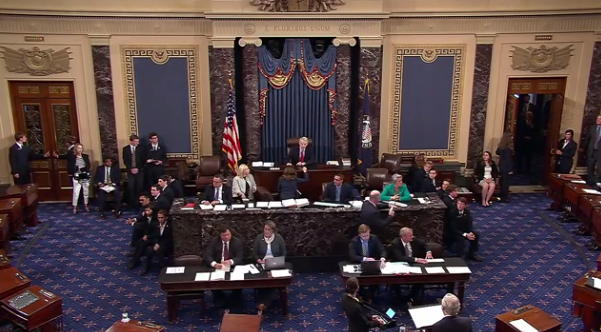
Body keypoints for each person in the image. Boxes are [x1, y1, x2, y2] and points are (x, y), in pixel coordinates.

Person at [390, 227, 432, 304]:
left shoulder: (414, 240)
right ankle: (398, 298)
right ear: (404, 237)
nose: (412, 237)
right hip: (399, 265)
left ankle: (413, 296)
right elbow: (401, 257)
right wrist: (416, 259)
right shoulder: (395, 243)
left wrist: (428, 252)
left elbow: (424, 244)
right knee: (394, 280)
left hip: (414, 265)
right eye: (410, 235)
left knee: (421, 278)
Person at [204, 227, 244, 306]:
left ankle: (235, 299)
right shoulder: (215, 241)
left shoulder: (237, 242)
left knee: (238, 281)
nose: (226, 237)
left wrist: (231, 262)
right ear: (220, 235)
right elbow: (208, 256)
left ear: (230, 234)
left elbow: (240, 257)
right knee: (213, 282)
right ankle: (219, 299)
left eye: (228, 235)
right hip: (219, 267)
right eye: (223, 235)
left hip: (232, 266)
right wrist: (214, 264)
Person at [252, 221, 286, 311]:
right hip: (262, 264)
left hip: (275, 264)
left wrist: (277, 261)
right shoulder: (259, 238)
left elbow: (283, 253)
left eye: (268, 230)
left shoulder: (278, 238)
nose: (266, 231)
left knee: (272, 282)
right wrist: (258, 259)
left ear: (273, 231)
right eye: (265, 229)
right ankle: (261, 302)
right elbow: (254, 253)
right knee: (262, 282)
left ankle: (263, 304)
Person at [348, 224, 386, 301]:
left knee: (377, 277)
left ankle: (371, 295)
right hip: (359, 263)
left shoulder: (374, 238)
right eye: (364, 236)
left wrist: (382, 258)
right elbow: (352, 256)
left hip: (373, 264)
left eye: (367, 235)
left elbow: (382, 250)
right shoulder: (354, 241)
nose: (366, 238)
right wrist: (365, 259)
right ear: (359, 235)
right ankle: (362, 295)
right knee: (359, 279)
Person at [140, 210, 172, 275]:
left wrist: (159, 245)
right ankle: (147, 266)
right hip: (157, 242)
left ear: (166, 217)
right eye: (159, 217)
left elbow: (169, 239)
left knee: (159, 251)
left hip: (166, 244)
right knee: (149, 250)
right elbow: (156, 236)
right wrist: (156, 243)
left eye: (162, 217)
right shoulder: (156, 225)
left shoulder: (170, 226)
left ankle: (163, 269)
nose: (160, 219)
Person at [127, 204, 158, 270]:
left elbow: (157, 233)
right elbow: (143, 224)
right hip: (149, 236)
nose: (147, 212)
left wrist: (148, 236)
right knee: (139, 242)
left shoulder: (156, 219)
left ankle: (135, 260)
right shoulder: (146, 217)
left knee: (143, 244)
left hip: (155, 238)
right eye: (146, 210)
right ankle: (136, 259)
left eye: (148, 210)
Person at [68, 143, 91, 214]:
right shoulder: (72, 157)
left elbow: (88, 166)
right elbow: (69, 168)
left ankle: (86, 205)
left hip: (85, 176)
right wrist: (76, 169)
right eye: (78, 148)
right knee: (76, 193)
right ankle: (75, 207)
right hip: (77, 176)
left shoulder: (85, 156)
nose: (80, 150)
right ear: (75, 149)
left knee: (86, 192)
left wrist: (84, 169)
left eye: (81, 148)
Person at [122, 134, 144, 209]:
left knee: (139, 187)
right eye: (135, 141)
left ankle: (138, 203)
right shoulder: (125, 149)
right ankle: (131, 203)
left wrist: (137, 168)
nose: (137, 143)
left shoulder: (141, 148)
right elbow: (125, 160)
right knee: (131, 187)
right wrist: (130, 168)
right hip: (130, 171)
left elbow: (142, 160)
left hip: (140, 171)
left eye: (138, 141)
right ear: (131, 141)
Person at [496, 132, 514, 203]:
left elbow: (497, 152)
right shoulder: (508, 149)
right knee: (506, 183)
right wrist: (510, 169)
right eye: (511, 137)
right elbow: (508, 160)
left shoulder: (501, 147)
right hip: (506, 166)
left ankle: (501, 196)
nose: (512, 138)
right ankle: (504, 198)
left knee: (502, 181)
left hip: (501, 165)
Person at [516, 111, 535, 175]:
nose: (529, 117)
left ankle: (527, 170)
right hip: (522, 142)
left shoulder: (533, 123)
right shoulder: (522, 122)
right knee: (520, 156)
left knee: (528, 157)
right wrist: (524, 137)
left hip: (530, 143)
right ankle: (519, 169)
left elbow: (535, 132)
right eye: (528, 115)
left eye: (530, 116)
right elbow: (519, 131)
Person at [584, 115, 601, 184]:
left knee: (599, 169)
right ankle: (590, 181)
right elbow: (587, 139)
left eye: (600, 119)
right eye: (597, 118)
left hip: (599, 152)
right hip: (592, 151)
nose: (598, 120)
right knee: (590, 166)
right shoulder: (592, 128)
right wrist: (583, 148)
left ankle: (596, 182)